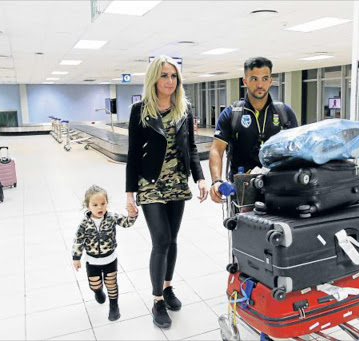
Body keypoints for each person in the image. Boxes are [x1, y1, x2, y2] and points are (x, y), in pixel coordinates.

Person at [125, 55, 208, 329]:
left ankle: (168, 286)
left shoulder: (184, 108)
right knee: (160, 240)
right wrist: (129, 194)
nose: (170, 81)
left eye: (174, 76)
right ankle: (157, 299)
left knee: (172, 240)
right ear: (154, 78)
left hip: (177, 183)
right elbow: (133, 154)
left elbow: (192, 147)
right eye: (164, 75)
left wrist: (200, 178)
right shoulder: (140, 110)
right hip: (150, 184)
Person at [209, 57, 298, 203]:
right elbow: (216, 150)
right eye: (254, 79)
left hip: (279, 187)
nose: (260, 84)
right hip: (242, 189)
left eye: (264, 78)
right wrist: (216, 180)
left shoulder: (284, 112)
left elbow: (296, 150)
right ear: (245, 82)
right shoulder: (232, 114)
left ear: (270, 81)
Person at [72, 185, 137, 321]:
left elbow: (126, 223)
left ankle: (114, 306)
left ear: (107, 203)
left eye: (103, 203)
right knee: (94, 284)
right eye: (95, 205)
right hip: (92, 261)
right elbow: (78, 240)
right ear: (87, 206)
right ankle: (98, 292)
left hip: (110, 259)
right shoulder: (84, 223)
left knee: (111, 283)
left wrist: (132, 215)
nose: (99, 207)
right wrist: (76, 258)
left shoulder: (112, 217)